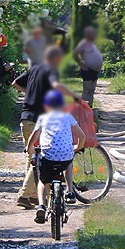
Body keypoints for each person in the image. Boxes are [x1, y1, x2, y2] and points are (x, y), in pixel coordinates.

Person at [12, 46, 75, 209]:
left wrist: (29, 93)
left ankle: (32, 196)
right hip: (39, 121)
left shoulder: (34, 69)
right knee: (42, 158)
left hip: (25, 118)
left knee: (32, 157)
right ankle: (25, 194)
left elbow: (15, 83)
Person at [25, 90, 86, 224]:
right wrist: (77, 147)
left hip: (48, 156)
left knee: (42, 181)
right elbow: (82, 136)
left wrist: (30, 151)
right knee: (68, 162)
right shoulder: (68, 116)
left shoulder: (43, 117)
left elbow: (33, 137)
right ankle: (70, 191)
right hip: (65, 155)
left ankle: (41, 205)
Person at [73, 26, 103, 107]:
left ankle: (90, 107)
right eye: (92, 34)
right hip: (87, 69)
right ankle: (84, 108)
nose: (94, 35)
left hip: (95, 70)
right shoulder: (83, 43)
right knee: (87, 89)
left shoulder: (92, 44)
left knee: (92, 90)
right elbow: (75, 54)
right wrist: (81, 64)